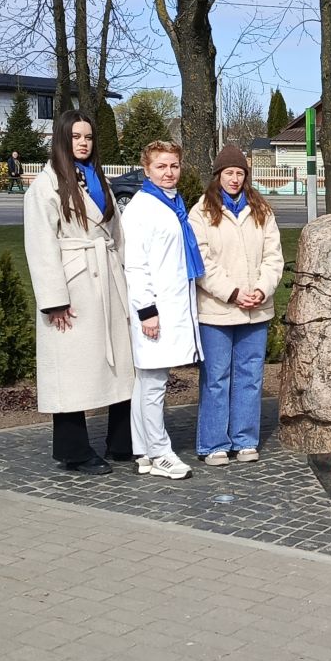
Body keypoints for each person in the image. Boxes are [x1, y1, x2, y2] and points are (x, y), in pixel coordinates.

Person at [23, 110, 134, 475]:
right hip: (75, 284)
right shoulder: (47, 184)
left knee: (120, 363)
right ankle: (73, 450)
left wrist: (124, 273)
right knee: (71, 370)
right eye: (76, 137)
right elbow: (40, 245)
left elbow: (115, 232)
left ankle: (121, 442)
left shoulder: (97, 178)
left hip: (107, 278)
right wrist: (54, 300)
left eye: (88, 136)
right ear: (62, 139)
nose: (83, 142)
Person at [188, 145, 284, 465]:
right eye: (229, 173)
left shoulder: (261, 210)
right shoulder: (201, 212)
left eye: (240, 173)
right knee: (216, 378)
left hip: (255, 309)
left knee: (250, 376)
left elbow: (273, 257)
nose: (234, 179)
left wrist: (261, 289)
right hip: (217, 310)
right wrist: (231, 292)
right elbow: (201, 261)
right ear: (218, 175)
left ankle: (244, 439)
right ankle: (214, 442)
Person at [121, 141, 203, 480]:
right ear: (147, 170)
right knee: (153, 383)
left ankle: (142, 449)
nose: (169, 173)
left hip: (172, 302)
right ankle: (160, 451)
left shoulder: (173, 205)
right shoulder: (141, 209)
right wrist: (147, 311)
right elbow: (135, 266)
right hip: (155, 308)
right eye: (161, 167)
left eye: (174, 166)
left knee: (146, 382)